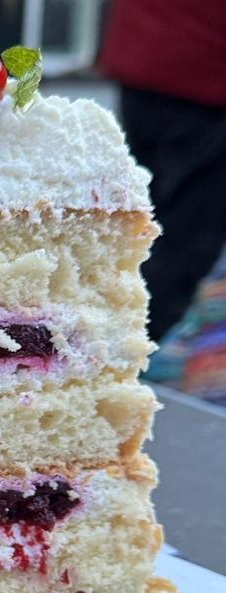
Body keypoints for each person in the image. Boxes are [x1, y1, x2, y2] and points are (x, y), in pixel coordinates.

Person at [99, 0, 226, 341]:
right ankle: (125, 350)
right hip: (204, 74)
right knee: (181, 240)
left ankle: (108, 338)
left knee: (138, 222)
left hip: (145, 56)